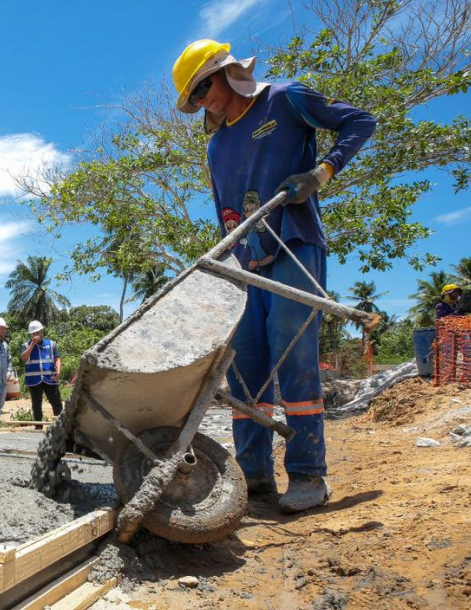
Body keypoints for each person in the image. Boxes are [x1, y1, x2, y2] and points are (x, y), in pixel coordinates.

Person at [173, 39, 375, 513]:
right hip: (246, 264)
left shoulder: (284, 99)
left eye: (205, 87)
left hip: (295, 249)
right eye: (195, 97)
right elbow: (225, 211)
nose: (204, 100)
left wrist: (321, 174)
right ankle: (254, 476)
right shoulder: (218, 144)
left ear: (226, 72)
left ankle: (308, 475)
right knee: (247, 373)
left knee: (293, 357)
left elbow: (359, 121)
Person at [20, 320, 62, 429]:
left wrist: (59, 370)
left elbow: (57, 358)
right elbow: (24, 358)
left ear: (42, 332)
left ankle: (60, 427)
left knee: (56, 403)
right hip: (34, 380)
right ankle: (38, 428)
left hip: (50, 378)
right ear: (30, 334)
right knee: (36, 405)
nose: (36, 335)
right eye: (33, 333)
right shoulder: (26, 345)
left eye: (37, 332)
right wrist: (32, 344)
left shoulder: (51, 344)